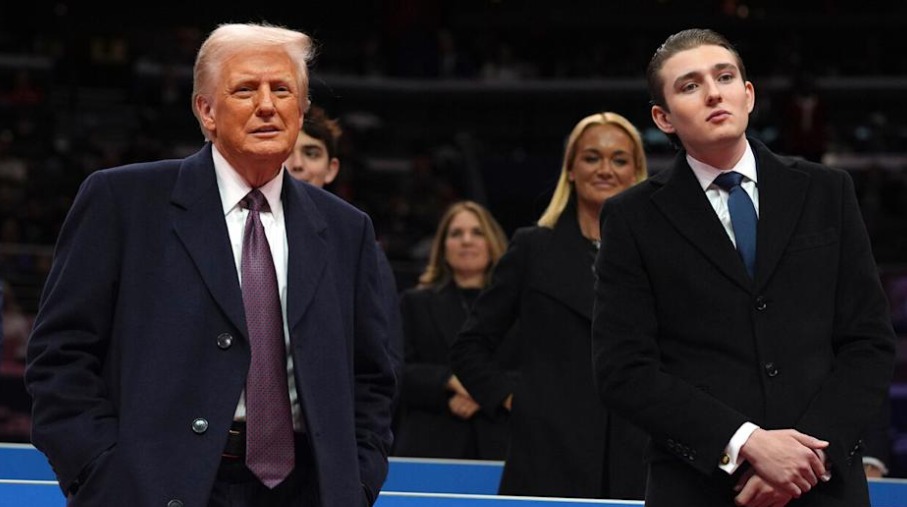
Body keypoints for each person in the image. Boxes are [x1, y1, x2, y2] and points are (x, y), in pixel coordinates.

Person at [25, 23, 395, 507]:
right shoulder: (123, 200)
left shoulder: (347, 229)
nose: (267, 105)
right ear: (206, 110)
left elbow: (372, 379)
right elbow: (60, 357)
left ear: (302, 109)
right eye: (245, 90)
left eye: (283, 90)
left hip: (307, 490)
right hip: (152, 488)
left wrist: (356, 483)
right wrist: (102, 474)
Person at [592, 28, 896, 507]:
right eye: (690, 86)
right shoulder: (632, 218)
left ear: (748, 95)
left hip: (824, 486)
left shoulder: (827, 191)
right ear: (663, 118)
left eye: (725, 77)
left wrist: (806, 459)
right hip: (700, 489)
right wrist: (745, 442)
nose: (713, 93)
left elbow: (869, 342)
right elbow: (623, 370)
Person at [451, 112, 649, 499]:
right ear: (571, 169)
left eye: (619, 159)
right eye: (591, 157)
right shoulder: (532, 248)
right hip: (548, 456)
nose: (605, 169)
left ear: (635, 172)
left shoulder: (656, 255)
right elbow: (469, 347)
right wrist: (517, 400)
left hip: (636, 457)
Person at [285, 105, 403, 383]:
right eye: (287, 152)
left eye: (311, 153)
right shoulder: (243, 235)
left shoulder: (358, 248)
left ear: (331, 169)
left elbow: (385, 358)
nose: (297, 164)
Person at [394, 200, 514, 459]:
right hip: (431, 444)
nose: (466, 241)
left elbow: (533, 370)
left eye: (477, 232)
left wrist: (485, 392)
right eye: (456, 234)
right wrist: (449, 382)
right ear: (443, 246)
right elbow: (395, 371)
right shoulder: (414, 303)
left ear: (492, 242)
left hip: (503, 445)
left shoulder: (518, 307)